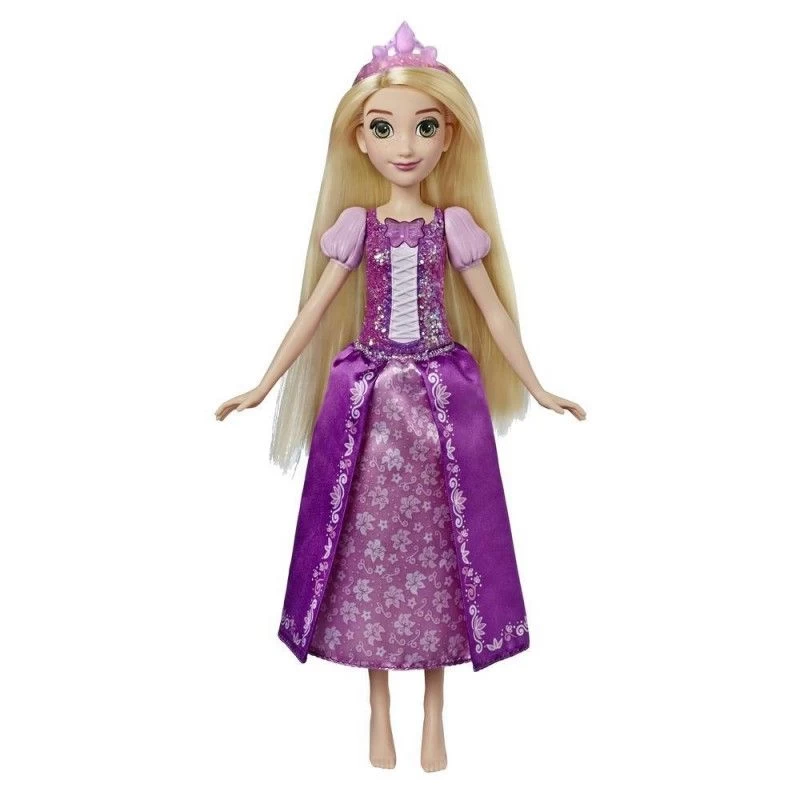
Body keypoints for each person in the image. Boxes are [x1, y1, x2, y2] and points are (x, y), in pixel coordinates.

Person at [215, 21, 586, 772]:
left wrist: (540, 387)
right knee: (369, 552)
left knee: (448, 550)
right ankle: (379, 709)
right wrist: (263, 383)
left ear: (449, 137)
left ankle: (436, 712)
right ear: (360, 140)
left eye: (424, 126)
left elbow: (493, 314)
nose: (405, 145)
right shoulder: (358, 227)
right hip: (372, 407)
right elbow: (313, 312)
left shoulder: (455, 228)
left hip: (442, 405)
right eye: (384, 128)